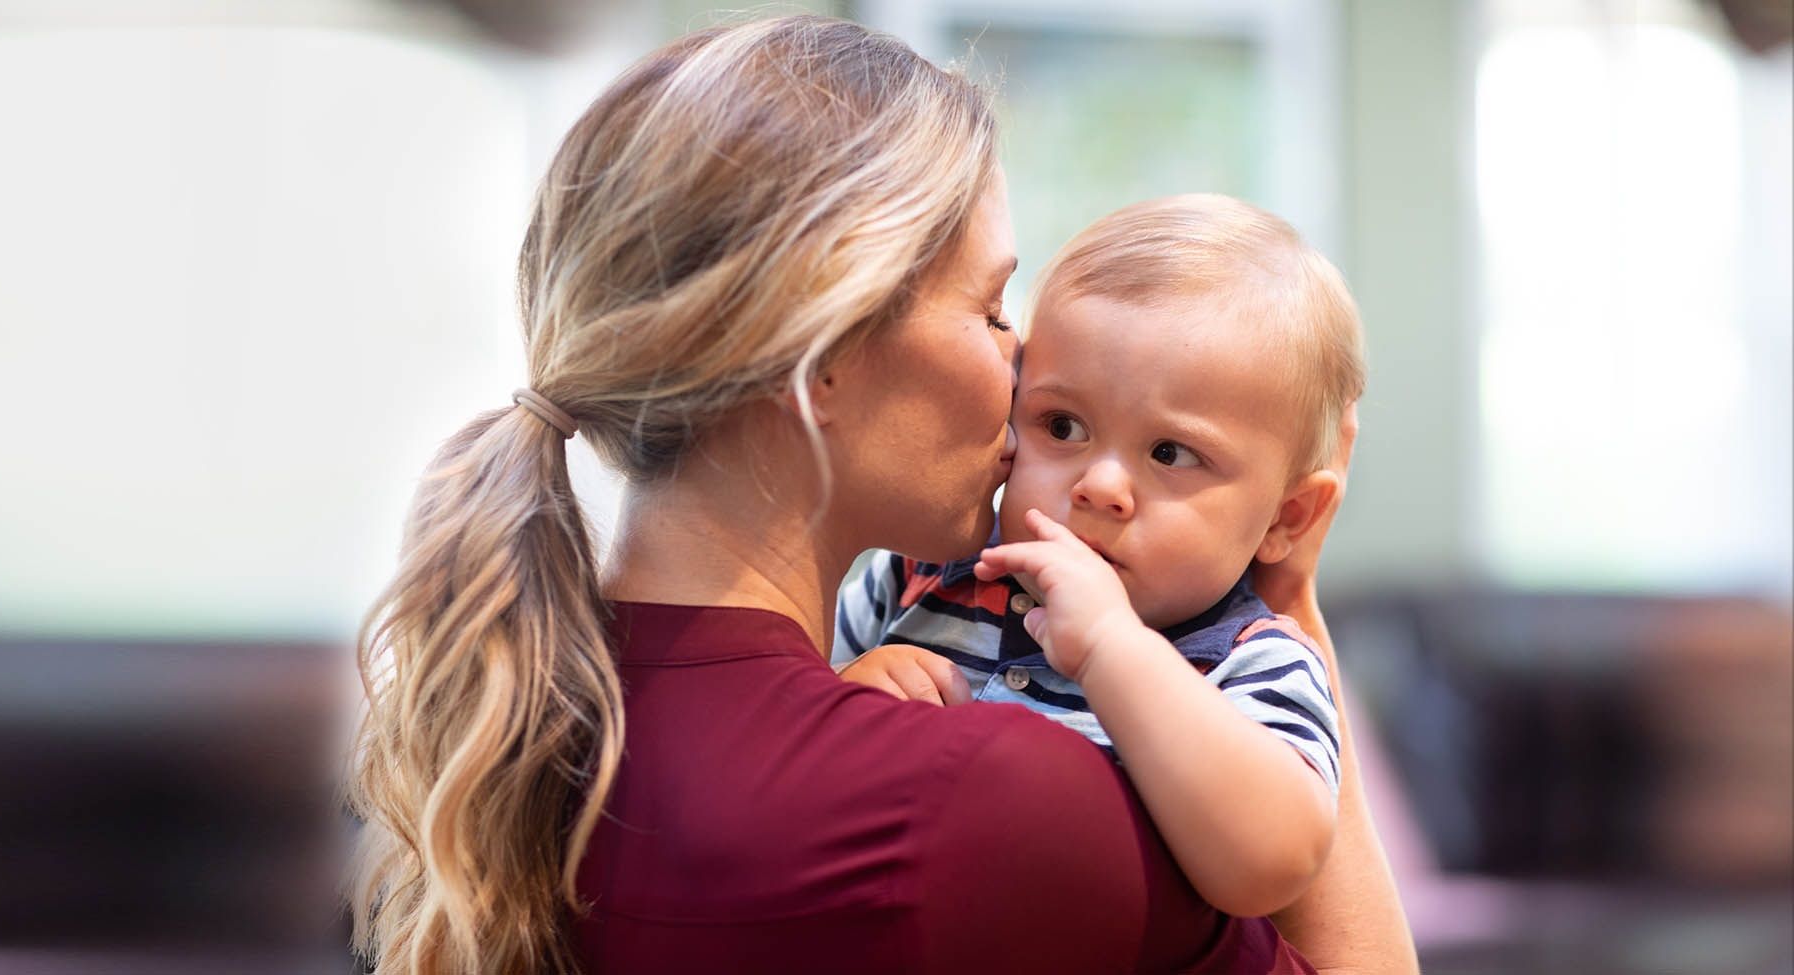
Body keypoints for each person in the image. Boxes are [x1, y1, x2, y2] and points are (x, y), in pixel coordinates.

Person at [344, 15, 1415, 975]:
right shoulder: (996, 802)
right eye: (993, 309)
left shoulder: (550, 725)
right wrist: (1287, 600)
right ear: (823, 365)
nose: (1023, 366)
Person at [834, 194, 1366, 920]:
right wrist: (846, 696)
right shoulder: (914, 578)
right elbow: (784, 751)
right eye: (1062, 424)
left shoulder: (1251, 663)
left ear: (1286, 517)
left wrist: (1115, 650)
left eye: (1170, 453)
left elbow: (1272, 863)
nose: (1101, 484)